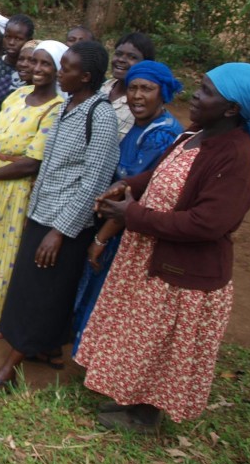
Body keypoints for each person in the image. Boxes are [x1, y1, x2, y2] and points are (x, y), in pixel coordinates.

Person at [77, 63, 250, 432]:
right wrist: (126, 186)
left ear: (232, 108)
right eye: (201, 87)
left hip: (184, 270)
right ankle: (131, 397)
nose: (196, 95)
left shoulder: (236, 157)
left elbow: (207, 224)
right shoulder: (196, 134)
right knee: (142, 336)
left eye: (207, 92)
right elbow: (160, 173)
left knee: (161, 345)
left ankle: (146, 415)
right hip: (152, 254)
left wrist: (133, 214)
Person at [0, 41, 119, 398]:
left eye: (65, 68)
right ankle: (47, 347)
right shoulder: (71, 104)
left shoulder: (100, 116)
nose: (58, 72)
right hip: (41, 213)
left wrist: (59, 231)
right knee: (30, 289)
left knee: (42, 294)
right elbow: (52, 166)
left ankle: (7, 371)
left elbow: (95, 182)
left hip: (65, 224)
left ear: (85, 76)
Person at [71, 60, 184, 355]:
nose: (137, 95)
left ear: (164, 92)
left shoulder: (162, 135)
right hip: (116, 224)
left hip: (129, 230)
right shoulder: (138, 125)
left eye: (147, 88)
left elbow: (136, 193)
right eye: (133, 88)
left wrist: (100, 239)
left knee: (114, 298)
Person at [0, 41, 65, 340]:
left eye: (46, 64)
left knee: (5, 253)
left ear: (58, 70)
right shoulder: (17, 95)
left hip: (16, 190)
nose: (37, 69)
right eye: (35, 62)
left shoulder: (55, 109)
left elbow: (31, 163)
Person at [99, 31, 156, 139]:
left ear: (146, 64)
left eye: (132, 57)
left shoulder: (141, 104)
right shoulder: (104, 87)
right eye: (118, 54)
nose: (121, 59)